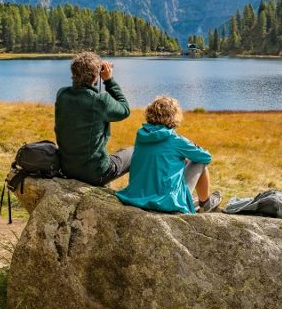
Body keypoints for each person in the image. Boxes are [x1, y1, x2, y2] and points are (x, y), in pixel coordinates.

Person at [116, 96, 221, 214]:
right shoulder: (175, 139)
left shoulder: (141, 135)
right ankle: (205, 203)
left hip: (136, 195)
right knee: (199, 162)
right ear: (174, 116)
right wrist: (189, 150)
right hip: (166, 201)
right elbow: (206, 157)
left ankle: (199, 201)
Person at [55, 52, 132, 186]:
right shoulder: (99, 100)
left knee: (114, 156)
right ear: (95, 76)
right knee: (134, 152)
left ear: (73, 73)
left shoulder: (62, 94)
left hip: (67, 168)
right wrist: (109, 80)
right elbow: (125, 110)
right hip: (95, 173)